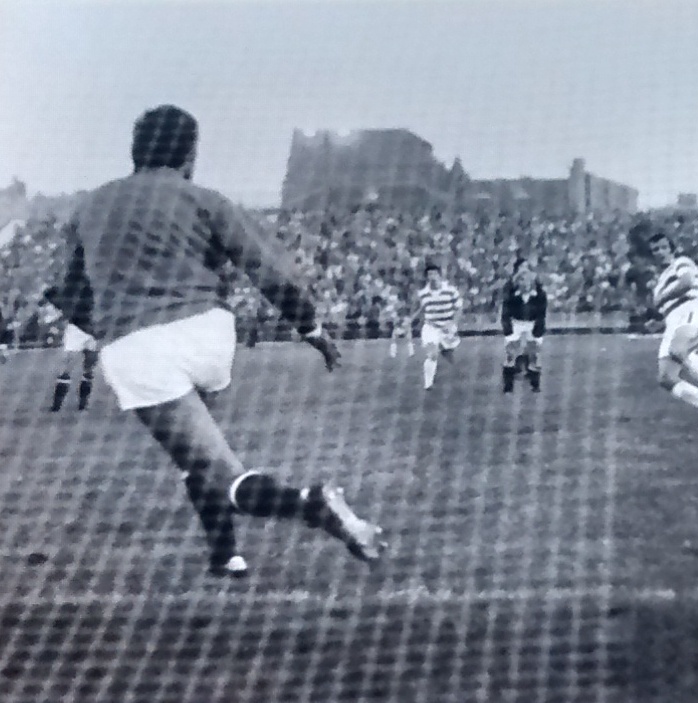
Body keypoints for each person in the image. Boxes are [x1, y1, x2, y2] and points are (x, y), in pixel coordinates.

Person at [53, 104, 384, 578]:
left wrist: (107, 327)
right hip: (208, 334)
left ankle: (313, 504)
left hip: (140, 348)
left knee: (217, 468)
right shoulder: (204, 199)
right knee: (200, 456)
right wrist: (312, 330)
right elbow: (271, 274)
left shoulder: (90, 206)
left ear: (134, 150)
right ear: (189, 152)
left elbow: (66, 291)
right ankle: (225, 555)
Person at [639, 223, 698, 424]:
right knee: (665, 378)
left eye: (663, 247)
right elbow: (667, 310)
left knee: (678, 351)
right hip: (673, 323)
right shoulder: (660, 281)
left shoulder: (681, 262)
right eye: (655, 250)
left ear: (671, 248)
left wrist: (660, 299)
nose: (660, 252)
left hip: (691, 312)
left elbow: (687, 282)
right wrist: (658, 323)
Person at [500, 258, 547, 393]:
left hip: (532, 324)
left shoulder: (539, 294)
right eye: (521, 280)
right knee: (510, 354)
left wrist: (538, 329)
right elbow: (506, 312)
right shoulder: (512, 294)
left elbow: (541, 313)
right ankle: (508, 386)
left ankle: (535, 384)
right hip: (516, 323)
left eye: (527, 280)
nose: (525, 283)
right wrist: (507, 328)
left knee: (534, 354)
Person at [416, 263, 463, 390]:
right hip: (431, 326)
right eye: (429, 274)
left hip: (447, 327)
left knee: (450, 355)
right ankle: (428, 384)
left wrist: (453, 323)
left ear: (439, 275)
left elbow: (459, 308)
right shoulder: (422, 294)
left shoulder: (450, 290)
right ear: (426, 277)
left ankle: (442, 353)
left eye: (434, 274)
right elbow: (418, 309)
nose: (432, 277)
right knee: (432, 354)